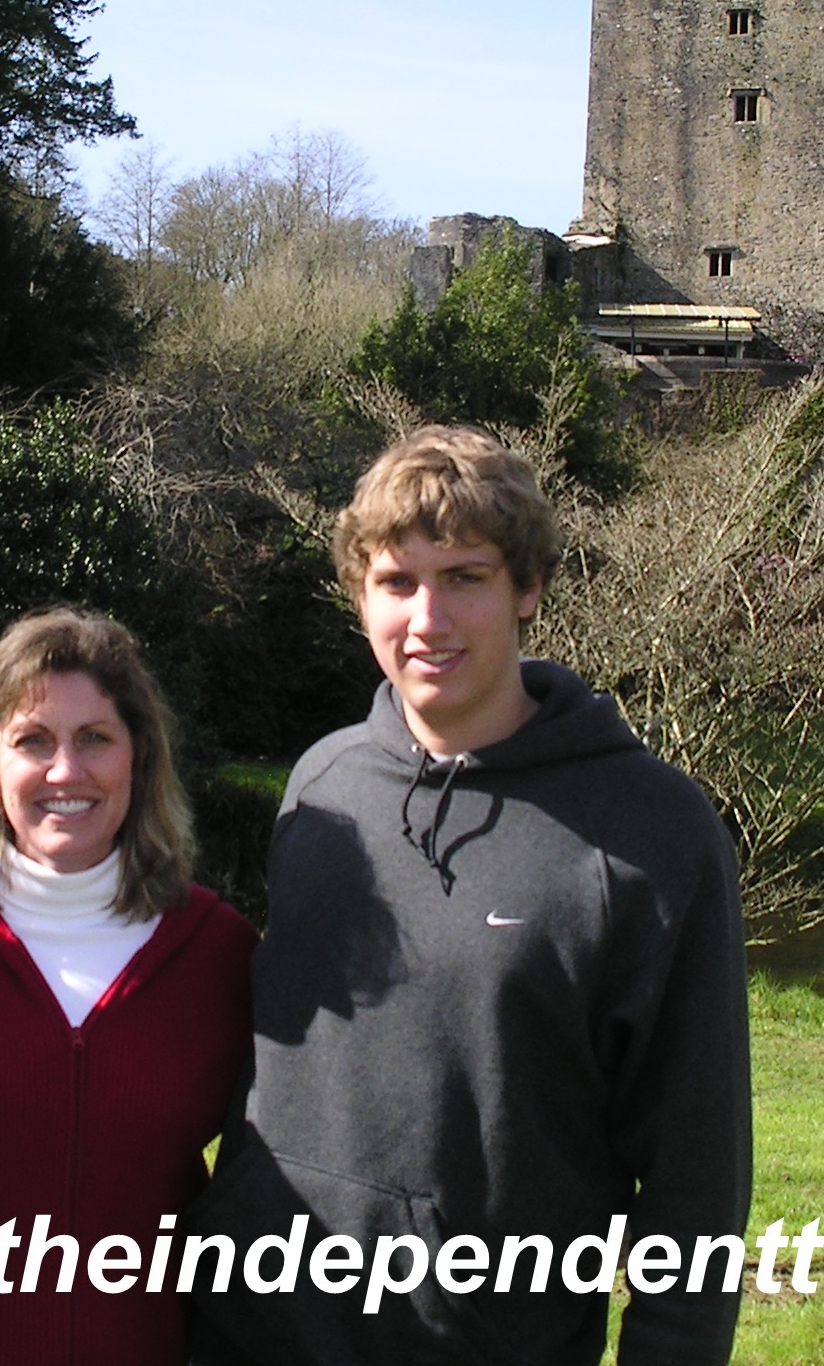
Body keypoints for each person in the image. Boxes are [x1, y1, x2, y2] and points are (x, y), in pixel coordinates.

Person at [188, 427, 751, 1365]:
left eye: (465, 577)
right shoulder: (321, 786)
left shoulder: (651, 831)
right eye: (397, 582)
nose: (428, 618)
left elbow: (698, 1181)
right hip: (248, 1338)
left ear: (528, 588)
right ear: (359, 595)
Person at [0, 608, 256, 1366]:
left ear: (139, 756)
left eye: (95, 738)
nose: (66, 771)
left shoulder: (219, 955)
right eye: (33, 740)